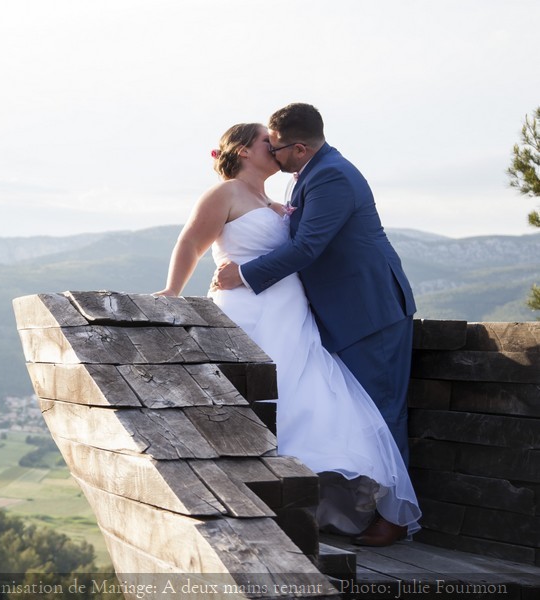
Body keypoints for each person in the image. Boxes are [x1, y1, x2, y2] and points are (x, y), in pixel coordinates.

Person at [155, 119, 420, 546]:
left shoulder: (279, 197)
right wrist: (172, 291)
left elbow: (304, 248)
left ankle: (305, 503)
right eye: (266, 141)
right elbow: (190, 242)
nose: (274, 148)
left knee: (309, 397)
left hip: (293, 313)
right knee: (258, 399)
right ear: (243, 150)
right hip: (250, 310)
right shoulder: (224, 193)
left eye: (277, 143)